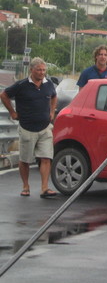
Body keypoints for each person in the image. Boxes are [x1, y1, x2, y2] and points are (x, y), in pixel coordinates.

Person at [0, 57, 58, 198]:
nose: (42, 72)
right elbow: (4, 95)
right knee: (25, 160)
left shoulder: (49, 84)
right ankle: (26, 186)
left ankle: (44, 188)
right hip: (27, 128)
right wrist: (12, 112)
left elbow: (54, 96)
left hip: (45, 128)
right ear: (31, 70)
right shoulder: (21, 85)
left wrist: (52, 111)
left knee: (46, 158)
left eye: (44, 70)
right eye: (39, 70)